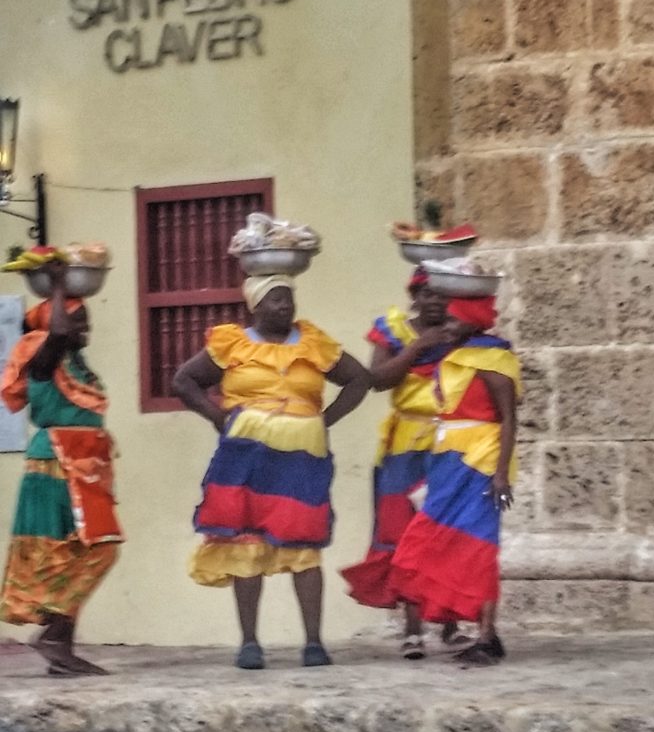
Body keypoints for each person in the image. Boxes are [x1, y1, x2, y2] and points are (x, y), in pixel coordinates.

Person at [173, 274, 370, 670]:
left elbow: (359, 379)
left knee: (304, 541)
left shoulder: (313, 342)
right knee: (247, 542)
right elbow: (184, 380)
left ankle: (313, 643)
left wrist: (322, 419)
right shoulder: (234, 343)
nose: (285, 306)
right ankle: (250, 643)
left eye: (289, 298)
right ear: (256, 306)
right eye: (276, 299)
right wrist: (217, 416)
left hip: (302, 456)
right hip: (246, 454)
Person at [340, 267, 471, 659]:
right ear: (414, 295)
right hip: (405, 445)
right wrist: (417, 348)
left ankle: (448, 624)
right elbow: (376, 379)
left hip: (450, 442)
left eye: (442, 294)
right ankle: (412, 631)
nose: (435, 301)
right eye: (427, 293)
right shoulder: (393, 329)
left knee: (446, 531)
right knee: (405, 533)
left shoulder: (462, 333)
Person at [0, 264, 122, 676]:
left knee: (77, 549)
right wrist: (55, 283)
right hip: (58, 462)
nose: (84, 327)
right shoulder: (43, 357)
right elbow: (55, 334)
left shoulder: (74, 362)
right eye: (76, 319)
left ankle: (60, 646)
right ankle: (55, 638)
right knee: (94, 547)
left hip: (83, 463)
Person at [389, 294, 520, 665]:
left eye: (452, 320)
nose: (445, 326)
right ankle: (462, 621)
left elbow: (508, 419)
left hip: (481, 460)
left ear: (472, 320)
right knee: (432, 539)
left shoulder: (494, 359)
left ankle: (488, 635)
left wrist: (500, 475)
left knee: (480, 544)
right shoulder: (451, 357)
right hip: (447, 460)